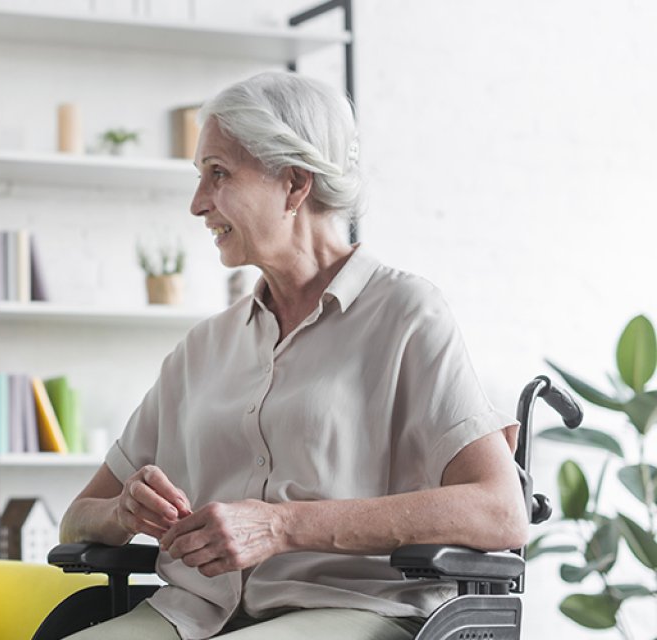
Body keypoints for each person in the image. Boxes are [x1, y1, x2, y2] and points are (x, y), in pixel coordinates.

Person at [58, 72, 528, 640]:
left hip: (353, 610)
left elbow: (499, 510)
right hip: (192, 614)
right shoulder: (202, 348)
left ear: (295, 184)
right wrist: (122, 513)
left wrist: (281, 526)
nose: (198, 204)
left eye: (219, 174)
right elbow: (75, 519)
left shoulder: (405, 313)